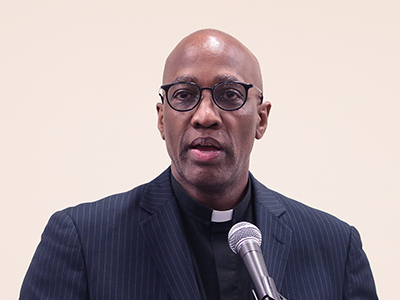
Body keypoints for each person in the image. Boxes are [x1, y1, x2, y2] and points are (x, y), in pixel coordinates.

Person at [20, 29, 378, 300]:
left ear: (262, 119)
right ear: (162, 119)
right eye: (184, 95)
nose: (205, 116)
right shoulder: (81, 240)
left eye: (230, 95)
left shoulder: (336, 247)